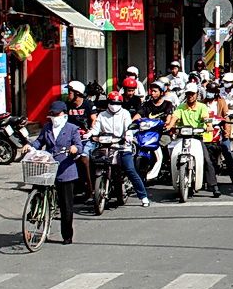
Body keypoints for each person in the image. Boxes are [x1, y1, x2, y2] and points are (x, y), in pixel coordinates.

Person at [85, 90, 150, 207]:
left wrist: (128, 135)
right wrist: (89, 134)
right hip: (106, 146)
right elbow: (96, 129)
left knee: (130, 169)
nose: (114, 106)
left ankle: (143, 196)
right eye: (112, 103)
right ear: (108, 103)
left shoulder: (125, 114)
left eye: (117, 103)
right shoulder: (102, 115)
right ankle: (93, 191)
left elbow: (128, 127)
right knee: (94, 163)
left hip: (122, 146)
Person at [29, 101, 82, 244]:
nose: (54, 116)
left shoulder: (72, 129)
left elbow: (79, 145)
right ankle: (35, 213)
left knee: (66, 206)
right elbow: (39, 142)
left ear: (64, 114)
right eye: (52, 114)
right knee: (35, 186)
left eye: (56, 114)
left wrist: (75, 149)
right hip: (48, 166)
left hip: (65, 169)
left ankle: (67, 235)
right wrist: (30, 147)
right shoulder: (47, 128)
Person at [171, 86, 221, 197]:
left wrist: (209, 125)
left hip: (197, 138)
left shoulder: (202, 107)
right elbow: (174, 117)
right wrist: (170, 125)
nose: (190, 96)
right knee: (173, 155)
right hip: (183, 138)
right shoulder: (181, 107)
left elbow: (206, 118)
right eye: (188, 94)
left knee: (207, 160)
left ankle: (214, 186)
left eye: (192, 94)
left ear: (197, 94)